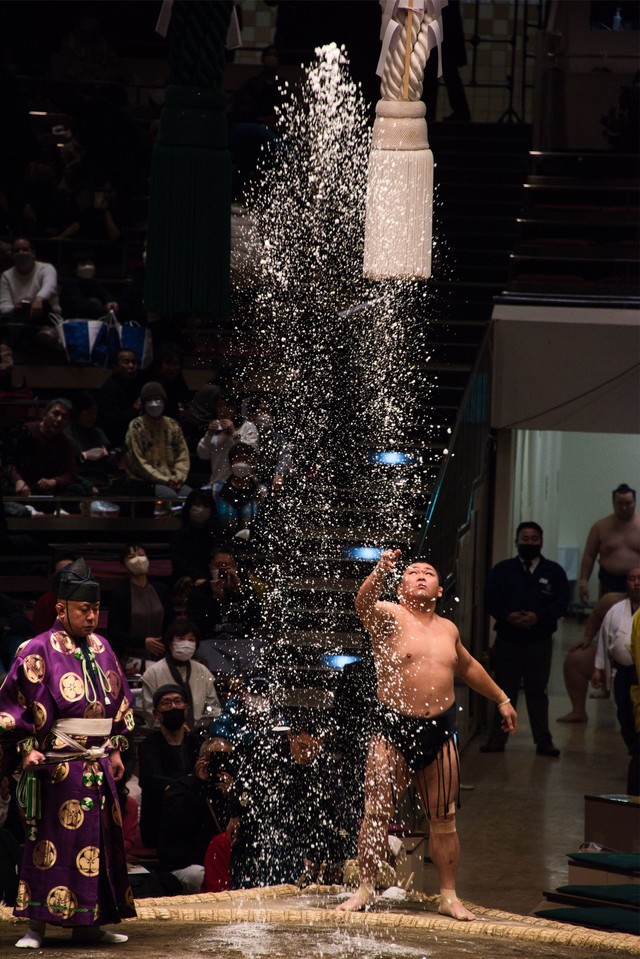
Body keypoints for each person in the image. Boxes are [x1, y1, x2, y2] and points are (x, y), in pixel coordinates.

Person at [338, 550, 518, 918]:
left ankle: (449, 895)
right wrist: (381, 569)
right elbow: (363, 602)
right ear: (401, 586)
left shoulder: (448, 629)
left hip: (437, 730)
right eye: (413, 572)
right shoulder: (389, 615)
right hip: (392, 726)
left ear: (439, 590)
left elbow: (467, 667)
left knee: (444, 818)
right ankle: (365, 888)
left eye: (429, 573)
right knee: (376, 813)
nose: (421, 575)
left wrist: (501, 698)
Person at [0, 557, 136, 947]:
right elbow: (12, 706)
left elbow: (121, 703)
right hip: (58, 765)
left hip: (98, 763)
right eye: (84, 610)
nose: (92, 617)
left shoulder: (104, 646)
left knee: (101, 846)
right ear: (61, 609)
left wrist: (116, 750)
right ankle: (35, 927)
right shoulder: (36, 649)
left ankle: (91, 923)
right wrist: (26, 748)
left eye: (96, 609)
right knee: (49, 846)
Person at [481, 522, 570, 757]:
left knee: (537, 691)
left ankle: (543, 741)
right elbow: (490, 598)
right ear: (517, 542)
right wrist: (507, 615)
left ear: (540, 541)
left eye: (534, 539)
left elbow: (562, 602)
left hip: (539, 641)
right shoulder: (502, 570)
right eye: (525, 539)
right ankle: (497, 738)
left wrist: (538, 617)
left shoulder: (554, 572)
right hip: (508, 640)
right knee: (503, 691)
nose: (529, 543)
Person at [137, 684, 198, 851]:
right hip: (159, 826)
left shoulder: (195, 743)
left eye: (178, 701)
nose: (173, 707)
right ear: (156, 714)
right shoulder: (149, 746)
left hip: (193, 824)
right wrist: (190, 784)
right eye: (166, 703)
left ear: (186, 708)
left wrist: (179, 786)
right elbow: (152, 781)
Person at [187, 547, 262, 675]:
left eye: (227, 566)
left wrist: (240, 592)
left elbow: (256, 620)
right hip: (211, 643)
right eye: (218, 566)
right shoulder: (200, 592)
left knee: (260, 645)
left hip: (240, 643)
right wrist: (216, 599)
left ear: (235, 567)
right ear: (210, 567)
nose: (223, 570)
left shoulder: (245, 590)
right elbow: (198, 626)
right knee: (202, 648)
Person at [592, 567, 640, 756]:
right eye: (632, 578)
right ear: (626, 583)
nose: (637, 582)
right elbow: (604, 640)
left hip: (639, 672)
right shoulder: (615, 610)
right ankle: (634, 751)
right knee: (624, 714)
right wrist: (598, 668)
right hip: (622, 671)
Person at [557, 590, 625, 723]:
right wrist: (587, 637)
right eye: (633, 579)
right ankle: (578, 711)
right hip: (614, 661)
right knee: (577, 658)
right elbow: (596, 615)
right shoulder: (612, 601)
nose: (637, 583)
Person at [140, 620, 221, 728]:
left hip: (197, 736)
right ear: (170, 643)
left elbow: (213, 709)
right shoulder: (153, 673)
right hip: (163, 736)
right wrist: (174, 729)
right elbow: (150, 713)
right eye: (181, 639)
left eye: (191, 640)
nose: (186, 644)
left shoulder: (203, 672)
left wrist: (200, 729)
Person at [107, 542, 174, 663]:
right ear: (124, 565)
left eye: (141, 554)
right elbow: (114, 632)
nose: (138, 559)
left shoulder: (161, 589)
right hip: (131, 656)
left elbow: (171, 622)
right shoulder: (120, 595)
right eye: (131, 557)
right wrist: (143, 642)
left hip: (162, 653)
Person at [123, 381, 191, 499]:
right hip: (146, 481)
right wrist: (164, 480)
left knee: (191, 496)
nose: (154, 403)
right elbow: (139, 461)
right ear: (144, 403)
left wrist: (179, 478)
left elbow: (182, 455)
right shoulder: (136, 426)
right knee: (169, 496)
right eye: (150, 400)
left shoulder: (172, 425)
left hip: (173, 478)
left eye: (158, 399)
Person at [579, 484, 640, 604]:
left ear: (635, 501)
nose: (624, 507)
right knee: (607, 619)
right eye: (619, 503)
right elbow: (589, 556)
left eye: (628, 503)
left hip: (638, 584)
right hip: (609, 583)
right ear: (613, 502)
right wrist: (583, 582)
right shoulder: (600, 527)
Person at [7, 398, 80, 498]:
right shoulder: (25, 431)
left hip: (47, 489)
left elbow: (70, 473)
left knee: (76, 490)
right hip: (21, 485)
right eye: (55, 414)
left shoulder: (67, 442)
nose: (59, 420)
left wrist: (54, 481)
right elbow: (8, 462)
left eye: (65, 417)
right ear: (44, 414)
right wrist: (18, 480)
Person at [0, 238, 60, 346]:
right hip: (19, 318)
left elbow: (50, 286)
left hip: (45, 316)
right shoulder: (6, 275)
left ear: (33, 253)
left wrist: (39, 298)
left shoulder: (46, 268)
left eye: (25, 250)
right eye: (17, 250)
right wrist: (15, 307)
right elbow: (4, 304)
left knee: (44, 305)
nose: (21, 253)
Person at [196, 395, 258, 492]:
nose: (223, 410)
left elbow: (250, 453)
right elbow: (202, 454)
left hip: (242, 484)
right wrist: (209, 434)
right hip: (217, 483)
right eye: (220, 406)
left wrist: (233, 433)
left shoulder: (248, 426)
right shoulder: (215, 430)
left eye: (228, 406)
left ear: (235, 408)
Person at [169, 489, 223, 590]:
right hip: (186, 580)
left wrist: (206, 579)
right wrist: (195, 578)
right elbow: (180, 565)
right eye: (197, 505)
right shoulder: (178, 537)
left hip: (212, 579)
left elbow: (219, 562)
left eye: (205, 506)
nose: (201, 510)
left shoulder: (218, 536)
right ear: (189, 507)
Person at [214, 443, 265, 538]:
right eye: (237, 460)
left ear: (253, 464)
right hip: (223, 545)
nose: (242, 463)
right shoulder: (216, 490)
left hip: (251, 547)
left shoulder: (261, 491)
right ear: (231, 463)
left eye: (246, 460)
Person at [97, 348, 143, 447]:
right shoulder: (109, 388)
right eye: (126, 362)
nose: (131, 366)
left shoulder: (135, 385)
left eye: (133, 362)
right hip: (116, 441)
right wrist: (134, 410)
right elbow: (113, 420)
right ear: (115, 366)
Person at [31, 551, 79, 636]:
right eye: (62, 573)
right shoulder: (46, 602)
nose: (68, 577)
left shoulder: (87, 599)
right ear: (54, 575)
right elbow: (41, 636)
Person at [59, 251, 118, 319]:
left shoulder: (94, 284)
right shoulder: (70, 285)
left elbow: (105, 294)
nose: (88, 267)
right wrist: (102, 309)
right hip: (73, 321)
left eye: (90, 263)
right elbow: (78, 306)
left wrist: (110, 302)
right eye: (83, 264)